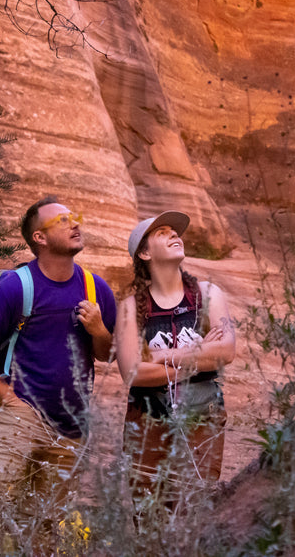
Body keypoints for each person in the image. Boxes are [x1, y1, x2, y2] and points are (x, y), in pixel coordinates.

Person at [0, 196, 116, 551]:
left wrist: (99, 330)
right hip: (19, 415)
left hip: (71, 428)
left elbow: (106, 354)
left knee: (46, 521)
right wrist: (9, 401)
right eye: (61, 221)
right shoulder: (15, 287)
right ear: (39, 238)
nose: (74, 224)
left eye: (74, 218)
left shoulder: (96, 288)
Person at [115, 210, 236, 521]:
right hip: (146, 422)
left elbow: (227, 350)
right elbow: (132, 373)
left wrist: (163, 356)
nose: (173, 235)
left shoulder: (209, 294)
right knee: (149, 515)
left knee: (193, 510)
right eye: (161, 232)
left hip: (202, 416)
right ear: (143, 253)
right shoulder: (130, 308)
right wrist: (199, 352)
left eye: (174, 231)